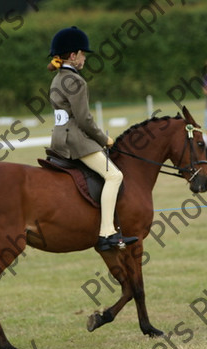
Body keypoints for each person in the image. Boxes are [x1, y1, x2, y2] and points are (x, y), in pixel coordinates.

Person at [47, 26, 137, 251]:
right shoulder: (76, 82)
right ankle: (106, 232)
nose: (85, 58)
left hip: (58, 138)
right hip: (75, 140)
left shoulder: (57, 79)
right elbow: (84, 120)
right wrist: (103, 139)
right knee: (114, 175)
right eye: (83, 54)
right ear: (73, 55)